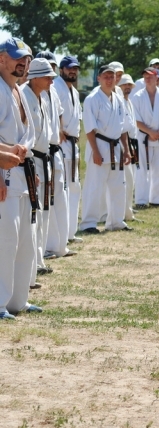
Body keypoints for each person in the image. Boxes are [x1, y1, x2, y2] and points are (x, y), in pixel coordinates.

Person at [0, 37, 43, 320]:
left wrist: (31, 169)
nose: (23, 63)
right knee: (6, 240)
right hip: (3, 172)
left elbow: (29, 137)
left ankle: (18, 300)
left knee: (25, 240)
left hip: (23, 173)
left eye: (26, 59)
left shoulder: (18, 90)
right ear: (1, 59)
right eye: (17, 58)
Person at [78, 64, 132, 233]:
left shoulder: (118, 99)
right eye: (106, 77)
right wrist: (95, 151)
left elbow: (123, 128)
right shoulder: (92, 99)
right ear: (99, 78)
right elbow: (89, 128)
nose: (109, 80)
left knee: (118, 186)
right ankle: (88, 223)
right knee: (94, 187)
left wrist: (126, 150)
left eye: (112, 77)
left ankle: (116, 221)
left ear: (116, 79)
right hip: (99, 146)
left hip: (116, 147)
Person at [35, 51, 75, 260]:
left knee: (59, 198)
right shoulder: (32, 91)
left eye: (52, 66)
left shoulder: (53, 91)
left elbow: (59, 114)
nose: (49, 71)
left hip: (55, 151)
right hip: (40, 153)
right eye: (46, 66)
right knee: (43, 203)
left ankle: (60, 245)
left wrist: (59, 132)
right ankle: (45, 248)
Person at [22, 58, 56, 281]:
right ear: (35, 77)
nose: (51, 81)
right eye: (47, 77)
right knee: (32, 215)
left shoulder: (41, 97)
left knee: (43, 213)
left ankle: (38, 260)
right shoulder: (24, 95)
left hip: (44, 159)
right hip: (30, 161)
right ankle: (30, 266)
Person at [131, 67, 159, 208]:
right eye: (145, 76)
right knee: (141, 170)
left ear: (157, 78)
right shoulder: (137, 96)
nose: (147, 78)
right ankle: (141, 200)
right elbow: (135, 119)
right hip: (143, 137)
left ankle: (156, 199)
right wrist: (150, 132)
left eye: (150, 76)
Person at [53, 56, 83, 244]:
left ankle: (70, 232)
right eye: (69, 68)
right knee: (62, 190)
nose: (72, 71)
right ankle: (60, 236)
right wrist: (58, 129)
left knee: (74, 187)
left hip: (73, 144)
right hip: (61, 143)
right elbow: (52, 110)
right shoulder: (56, 86)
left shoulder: (74, 91)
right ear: (61, 69)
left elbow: (77, 116)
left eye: (75, 69)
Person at [118, 73, 141, 222]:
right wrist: (126, 149)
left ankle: (128, 211)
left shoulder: (129, 102)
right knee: (125, 180)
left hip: (132, 143)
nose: (127, 87)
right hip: (122, 143)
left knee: (131, 180)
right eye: (124, 84)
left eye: (129, 85)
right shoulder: (119, 102)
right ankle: (123, 213)